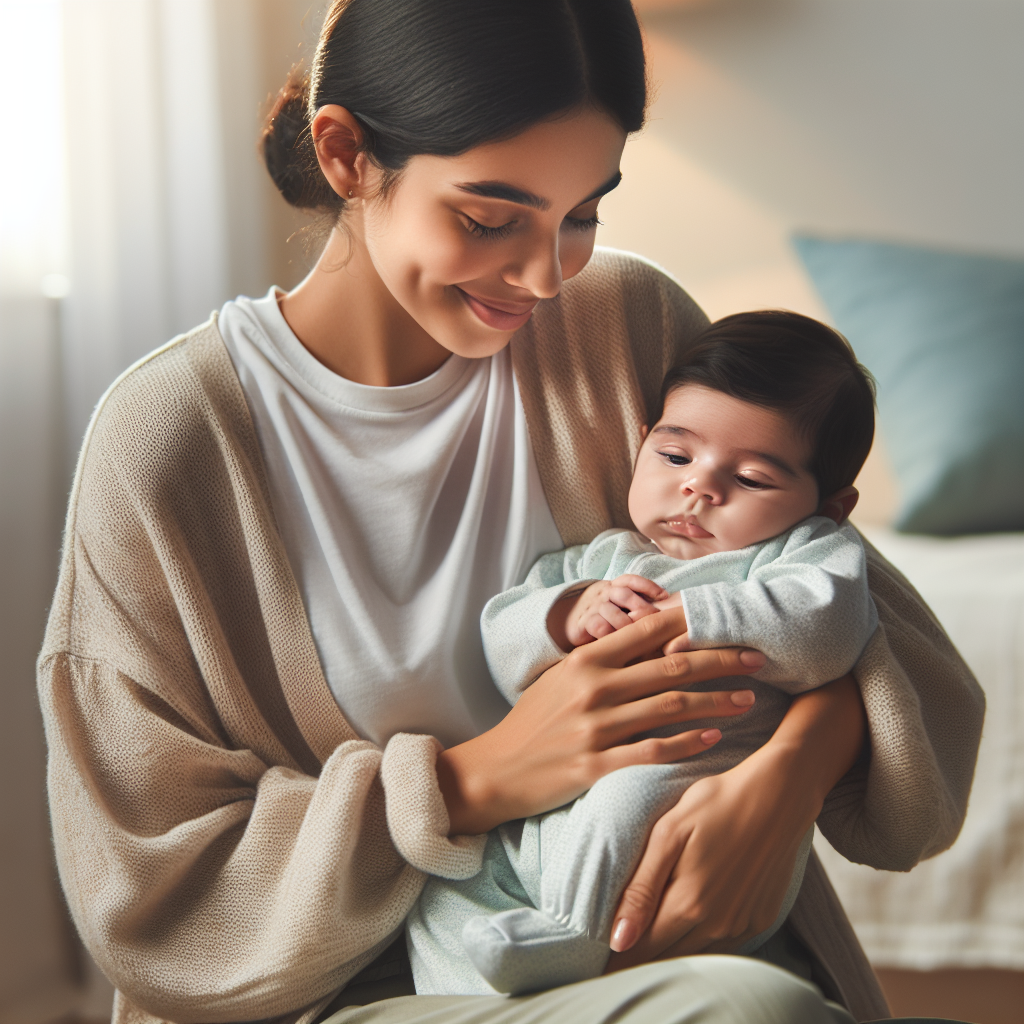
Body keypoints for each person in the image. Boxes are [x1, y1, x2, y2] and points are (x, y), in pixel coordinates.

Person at [36, 3, 984, 1024]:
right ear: (346, 153)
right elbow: (151, 886)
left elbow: (873, 625)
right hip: (341, 995)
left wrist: (800, 760)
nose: (542, 275)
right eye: (491, 218)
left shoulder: (624, 327)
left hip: (657, 957)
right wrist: (474, 779)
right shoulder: (173, 437)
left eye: (580, 214)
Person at [408, 311, 880, 995]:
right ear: (641, 442)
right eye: (676, 456)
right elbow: (503, 642)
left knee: (626, 799)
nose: (700, 488)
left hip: (692, 780)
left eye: (750, 479)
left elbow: (829, 631)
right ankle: (469, 991)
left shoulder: (800, 552)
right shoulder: (603, 559)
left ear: (831, 508)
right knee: (448, 878)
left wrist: (691, 614)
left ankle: (575, 938)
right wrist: (566, 614)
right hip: (554, 805)